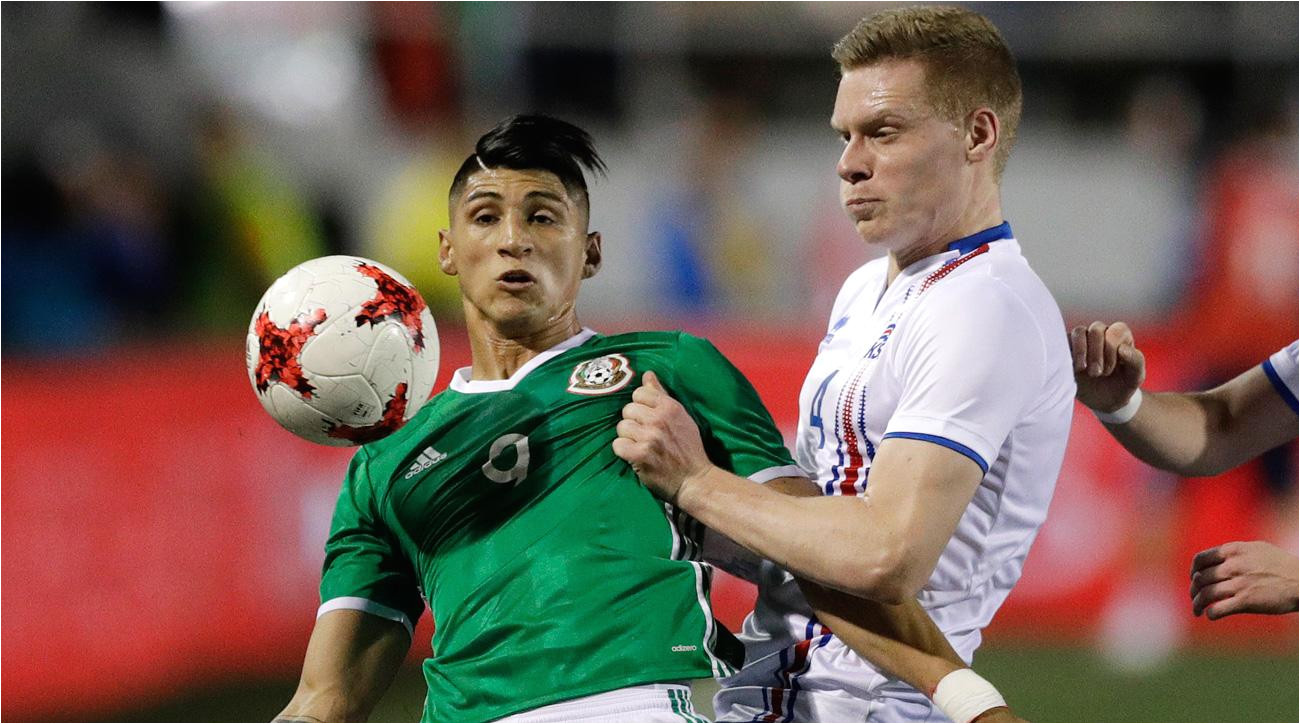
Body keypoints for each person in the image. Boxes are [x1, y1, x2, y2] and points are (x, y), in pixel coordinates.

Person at [275, 115, 1013, 723]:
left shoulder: (670, 367)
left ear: (589, 253)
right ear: (447, 251)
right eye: (485, 217)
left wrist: (970, 701)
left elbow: (817, 558)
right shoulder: (385, 462)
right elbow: (326, 697)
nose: (513, 239)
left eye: (543, 217)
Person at [615, 6, 1075, 721]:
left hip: (872, 707)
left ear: (977, 135)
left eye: (882, 132)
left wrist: (698, 483)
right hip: (773, 694)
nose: (849, 162)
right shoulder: (869, 286)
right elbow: (807, 536)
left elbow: (886, 555)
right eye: (845, 135)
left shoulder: (985, 306)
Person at [1071, 321, 1298, 621]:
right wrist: (1122, 404)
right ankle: (1147, 596)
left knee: (1283, 500)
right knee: (1161, 496)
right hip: (1222, 356)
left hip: (1251, 342)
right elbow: (1224, 425)